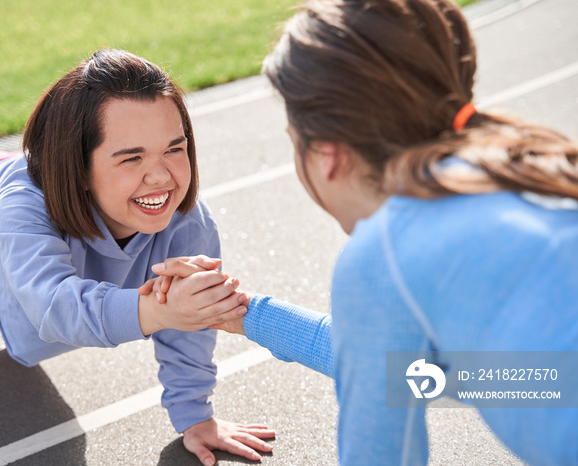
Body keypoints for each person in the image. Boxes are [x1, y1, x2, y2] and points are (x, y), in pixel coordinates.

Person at [142, 0, 578, 464]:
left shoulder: (389, 248)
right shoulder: (543, 172)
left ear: (326, 155)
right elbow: (433, 371)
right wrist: (245, 315)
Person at [0, 49, 275, 465]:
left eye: (174, 150)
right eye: (132, 157)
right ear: (78, 166)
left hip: (20, 239)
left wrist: (196, 416)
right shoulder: (20, 205)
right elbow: (53, 306)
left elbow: (190, 320)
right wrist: (159, 312)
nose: (162, 176)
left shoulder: (188, 222)